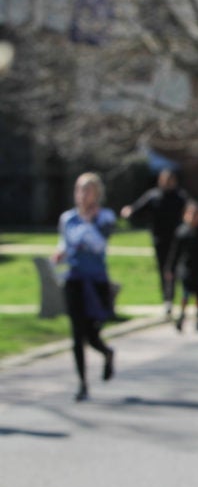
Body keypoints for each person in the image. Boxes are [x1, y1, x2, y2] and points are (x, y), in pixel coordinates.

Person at [53, 172, 117, 402]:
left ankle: (107, 353)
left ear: (96, 193)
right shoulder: (68, 218)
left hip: (96, 280)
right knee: (76, 333)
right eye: (79, 189)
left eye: (87, 189)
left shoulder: (105, 218)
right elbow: (65, 241)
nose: (82, 194)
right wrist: (60, 252)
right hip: (74, 279)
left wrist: (89, 223)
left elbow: (99, 246)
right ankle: (82, 383)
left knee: (91, 334)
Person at [120, 169, 187, 317]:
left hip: (176, 239)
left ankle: (177, 296)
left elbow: (191, 210)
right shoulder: (154, 196)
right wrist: (129, 211)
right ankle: (167, 299)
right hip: (160, 239)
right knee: (164, 269)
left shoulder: (179, 197)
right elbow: (138, 208)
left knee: (175, 269)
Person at [165, 201, 198, 333]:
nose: (193, 217)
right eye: (190, 214)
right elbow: (174, 252)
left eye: (196, 214)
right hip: (186, 267)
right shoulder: (182, 231)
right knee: (185, 293)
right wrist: (170, 268)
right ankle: (182, 316)